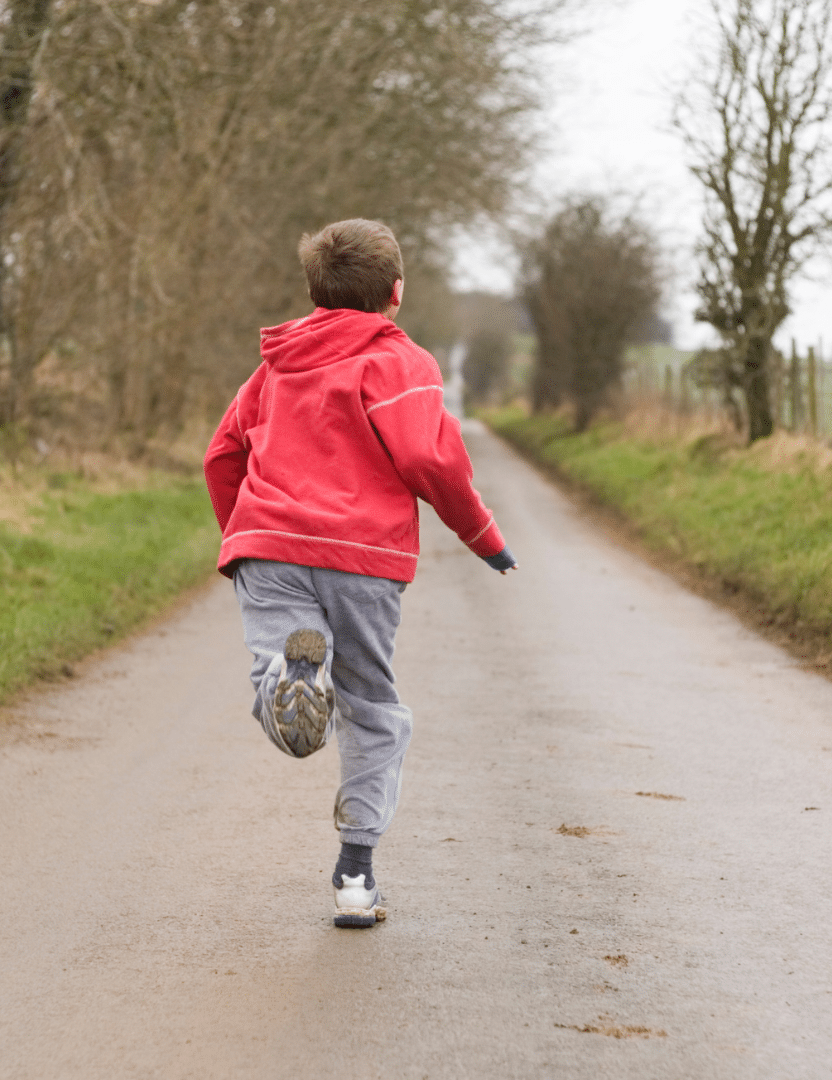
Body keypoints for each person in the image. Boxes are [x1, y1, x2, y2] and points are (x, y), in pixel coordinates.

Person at [203, 218, 517, 928]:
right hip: (364, 561)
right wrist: (482, 537)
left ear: (314, 290)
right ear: (396, 293)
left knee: (276, 671)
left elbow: (222, 456)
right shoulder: (401, 365)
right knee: (372, 708)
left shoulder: (275, 367)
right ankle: (354, 876)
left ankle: (290, 684)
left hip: (271, 547)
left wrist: (243, 539)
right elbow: (432, 462)